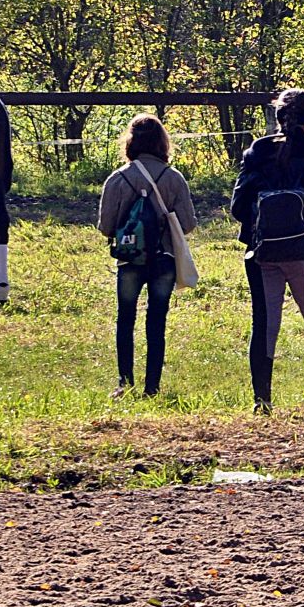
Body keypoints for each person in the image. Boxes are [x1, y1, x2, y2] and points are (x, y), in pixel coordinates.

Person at [230, 88, 304, 414]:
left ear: (278, 116)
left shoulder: (256, 152)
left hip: (262, 253)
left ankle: (262, 401)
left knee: (264, 323)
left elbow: (238, 207)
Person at [94, 114, 198, 397]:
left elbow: (105, 227)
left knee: (125, 318)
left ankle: (124, 383)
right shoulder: (173, 178)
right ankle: (152, 386)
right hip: (163, 258)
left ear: (130, 141)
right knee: (157, 320)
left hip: (130, 260)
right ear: (163, 142)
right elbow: (188, 225)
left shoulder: (118, 178)